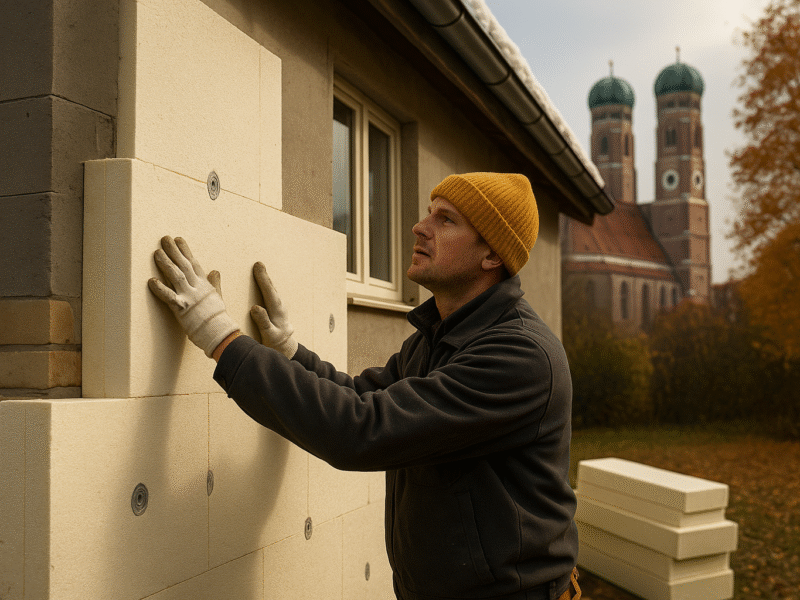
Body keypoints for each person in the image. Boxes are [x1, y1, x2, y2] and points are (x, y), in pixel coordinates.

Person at [148, 172, 581, 600]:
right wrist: (290, 353)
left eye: (446, 219)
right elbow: (362, 396)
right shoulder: (437, 340)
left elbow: (361, 430)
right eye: (429, 212)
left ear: (491, 255)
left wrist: (220, 337)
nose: (420, 227)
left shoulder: (519, 356)